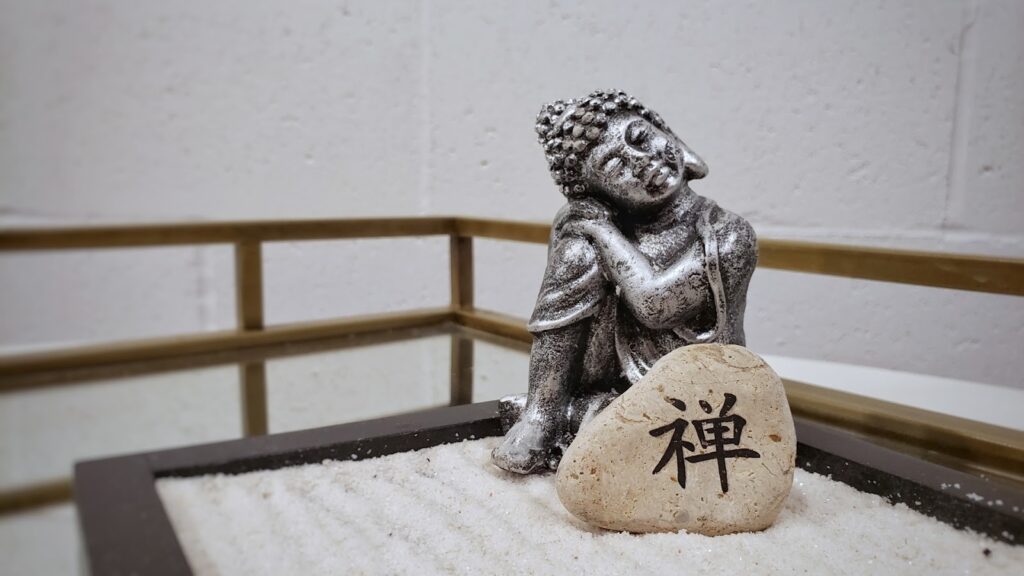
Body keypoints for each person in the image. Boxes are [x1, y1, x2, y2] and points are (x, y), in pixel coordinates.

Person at [492, 90, 758, 474]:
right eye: (616, 169)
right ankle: (543, 413)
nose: (642, 161)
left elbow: (657, 305)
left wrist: (602, 232)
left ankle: (589, 419)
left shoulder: (728, 234)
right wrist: (584, 230)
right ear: (603, 195)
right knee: (576, 253)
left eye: (641, 138)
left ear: (669, 132)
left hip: (698, 390)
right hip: (616, 378)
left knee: (673, 426)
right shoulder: (606, 232)